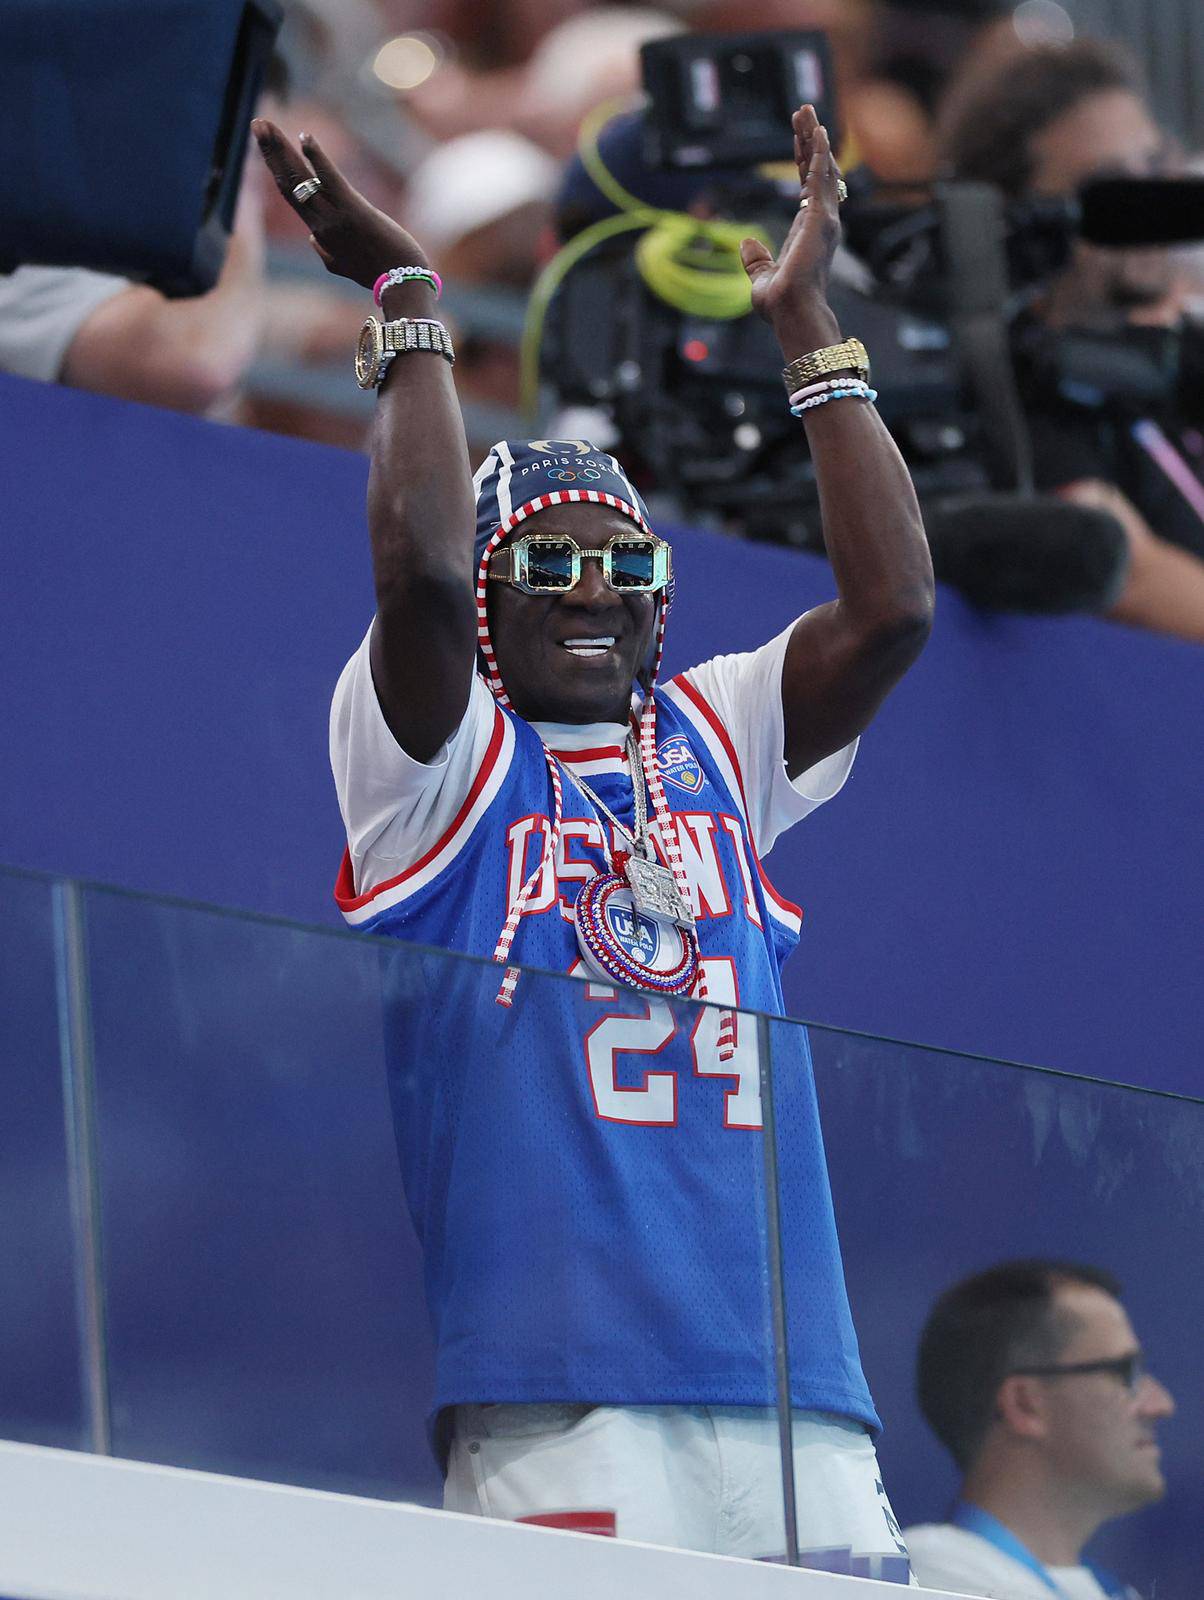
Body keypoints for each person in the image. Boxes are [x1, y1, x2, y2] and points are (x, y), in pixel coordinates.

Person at [253, 100, 933, 1572]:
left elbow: (892, 613)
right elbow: (425, 578)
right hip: (564, 1395)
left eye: (628, 566)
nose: (592, 589)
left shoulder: (713, 730)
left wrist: (811, 331)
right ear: (496, 601)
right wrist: (412, 304)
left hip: (793, 1384)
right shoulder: (434, 761)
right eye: (546, 562)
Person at [940, 38, 1204, 643]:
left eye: (1156, 164)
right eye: (1113, 188)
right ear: (1017, 219)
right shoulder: (1009, 389)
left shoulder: (1177, 356)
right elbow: (1129, 577)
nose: (1153, 201)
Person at [904, 1261, 1176, 1599]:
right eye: (1126, 1373)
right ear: (1025, 1403)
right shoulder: (930, 1577)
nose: (1161, 1405)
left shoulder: (1113, 1592)